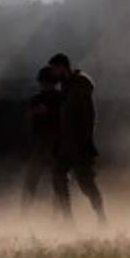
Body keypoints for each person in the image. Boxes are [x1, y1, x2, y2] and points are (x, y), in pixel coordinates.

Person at [48, 53, 107, 224]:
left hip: (79, 142)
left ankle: (101, 217)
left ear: (62, 67)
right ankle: (68, 218)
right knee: (58, 175)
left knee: (86, 183)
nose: (53, 73)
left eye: (54, 69)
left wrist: (86, 141)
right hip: (66, 142)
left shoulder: (79, 85)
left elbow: (87, 116)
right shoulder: (67, 87)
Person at [21, 66, 62, 212]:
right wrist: (34, 113)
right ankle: (24, 214)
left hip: (57, 144)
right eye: (44, 82)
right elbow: (27, 118)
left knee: (59, 183)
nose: (46, 85)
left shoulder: (61, 99)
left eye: (49, 82)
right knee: (31, 180)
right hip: (41, 144)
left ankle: (58, 215)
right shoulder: (37, 99)